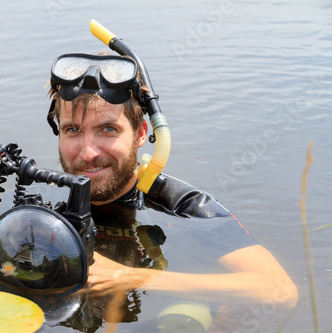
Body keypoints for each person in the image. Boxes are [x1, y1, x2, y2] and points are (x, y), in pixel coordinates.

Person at [46, 53, 298, 329]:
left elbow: (280, 289)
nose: (89, 152)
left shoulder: (184, 208)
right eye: (73, 129)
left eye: (108, 129)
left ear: (141, 134)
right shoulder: (44, 204)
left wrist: (130, 277)